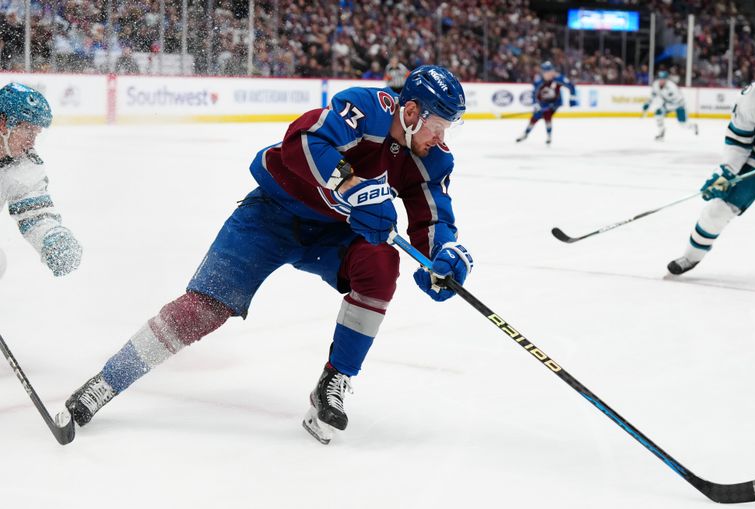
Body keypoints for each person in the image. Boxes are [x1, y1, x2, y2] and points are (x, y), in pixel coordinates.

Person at [62, 65, 473, 445]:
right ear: (412, 111)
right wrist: (351, 187)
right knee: (204, 307)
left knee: (381, 265)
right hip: (270, 217)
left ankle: (334, 380)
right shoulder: (368, 109)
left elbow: (432, 215)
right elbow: (304, 143)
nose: (441, 138)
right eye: (437, 126)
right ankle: (108, 380)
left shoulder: (431, 158)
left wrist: (444, 254)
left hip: (332, 235)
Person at [667, 41, 755, 292]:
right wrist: (725, 172)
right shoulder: (750, 97)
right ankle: (691, 257)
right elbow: (739, 141)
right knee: (717, 209)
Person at [0, 82, 81, 280]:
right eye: (28, 130)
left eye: (36, 133)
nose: (32, 142)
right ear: (3, 124)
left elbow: (35, 214)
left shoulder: (24, 165)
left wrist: (51, 236)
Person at [516, 61, 578, 146]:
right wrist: (536, 104)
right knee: (535, 117)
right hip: (543, 102)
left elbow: (571, 86)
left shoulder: (559, 79)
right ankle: (526, 134)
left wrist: (572, 98)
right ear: (543, 72)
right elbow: (535, 94)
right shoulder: (539, 81)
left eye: (550, 71)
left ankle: (549, 136)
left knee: (547, 115)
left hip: (555, 103)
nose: (549, 74)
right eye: (547, 72)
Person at [641, 70, 699, 141]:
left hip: (679, 105)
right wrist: (648, 103)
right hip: (668, 104)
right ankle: (661, 133)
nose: (661, 81)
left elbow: (678, 100)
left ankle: (693, 126)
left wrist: (666, 106)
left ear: (666, 79)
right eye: (660, 79)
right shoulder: (655, 84)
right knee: (658, 114)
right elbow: (653, 95)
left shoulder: (672, 87)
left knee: (683, 125)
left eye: (663, 79)